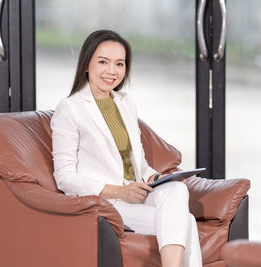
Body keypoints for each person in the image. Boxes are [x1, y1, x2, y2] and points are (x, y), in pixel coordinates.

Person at [51, 30, 202, 267]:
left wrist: (158, 177)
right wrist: (121, 192)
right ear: (87, 64)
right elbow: (64, 177)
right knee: (187, 222)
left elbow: (138, 164)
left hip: (137, 193)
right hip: (105, 202)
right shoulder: (69, 109)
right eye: (103, 62)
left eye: (119, 64)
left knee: (176, 190)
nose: (112, 71)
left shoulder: (125, 102)